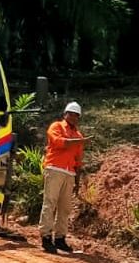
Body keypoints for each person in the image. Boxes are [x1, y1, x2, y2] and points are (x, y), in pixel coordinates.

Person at [39, 101, 89, 254]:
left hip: (69, 173)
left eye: (76, 115)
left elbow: (78, 160)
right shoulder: (57, 127)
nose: (73, 117)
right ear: (65, 114)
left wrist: (77, 180)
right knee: (50, 203)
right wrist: (78, 141)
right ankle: (46, 237)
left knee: (65, 208)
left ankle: (60, 239)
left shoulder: (78, 135)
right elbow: (59, 142)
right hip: (54, 169)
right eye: (71, 114)